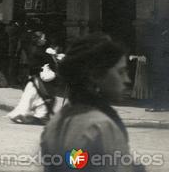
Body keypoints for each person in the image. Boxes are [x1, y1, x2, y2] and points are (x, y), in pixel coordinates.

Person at [41, 33, 145, 172]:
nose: (127, 80)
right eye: (120, 72)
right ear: (96, 75)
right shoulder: (101, 126)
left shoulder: (56, 121)